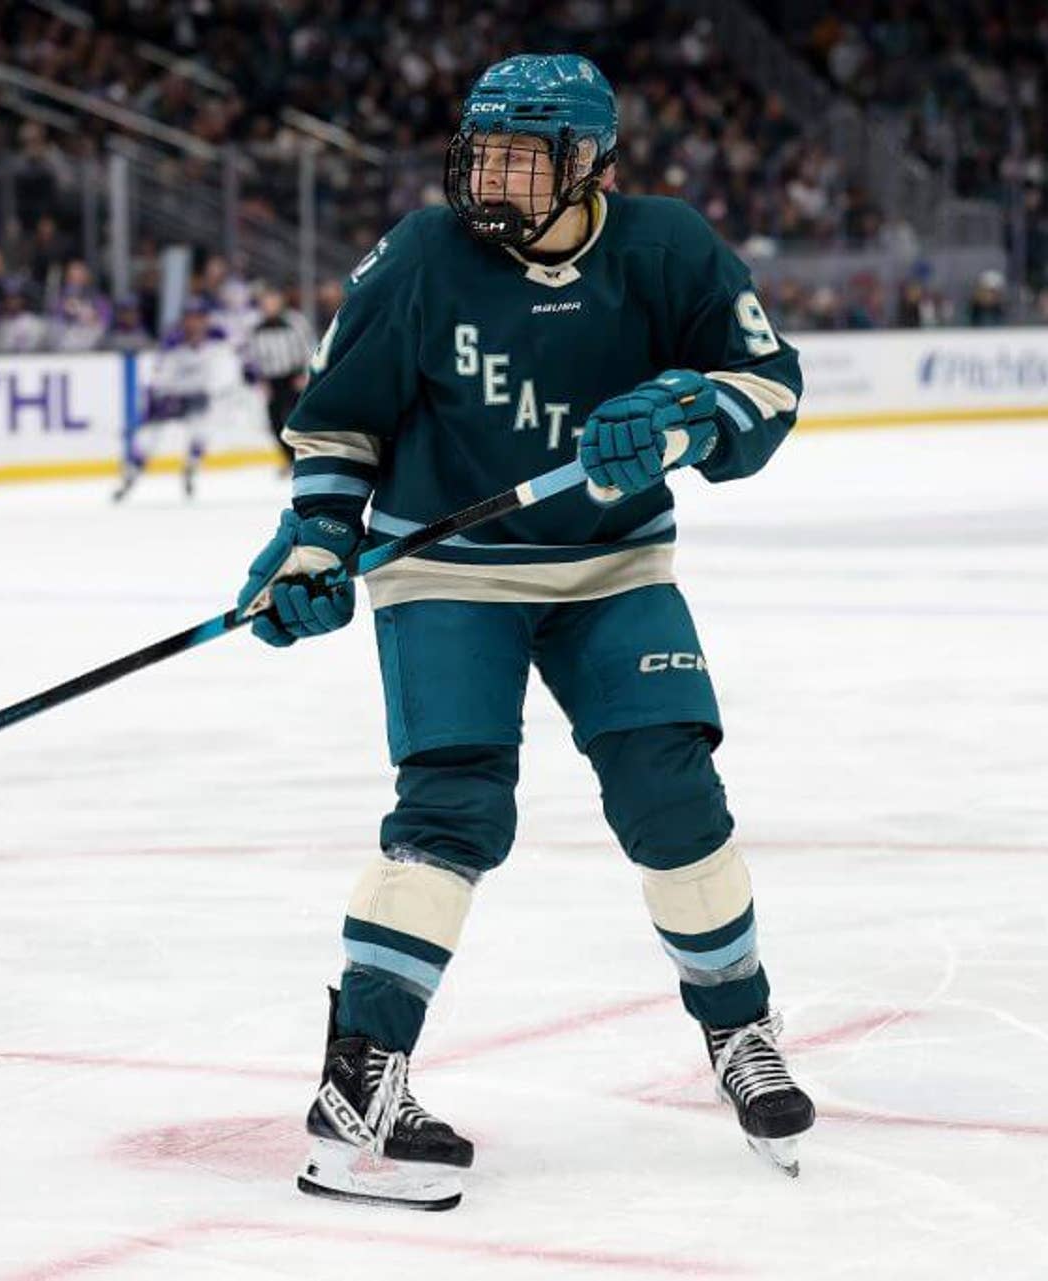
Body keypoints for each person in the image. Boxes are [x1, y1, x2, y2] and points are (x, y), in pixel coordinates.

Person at [234, 55, 813, 1211]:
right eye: (481, 151)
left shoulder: (666, 248)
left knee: (672, 795)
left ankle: (740, 1035)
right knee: (452, 809)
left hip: (613, 566)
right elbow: (339, 427)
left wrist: (690, 415)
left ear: (593, 162)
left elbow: (770, 385)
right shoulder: (420, 257)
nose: (489, 179)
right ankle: (361, 1084)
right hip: (445, 567)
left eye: (522, 158)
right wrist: (310, 543)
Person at [114, 299, 245, 503]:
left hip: (200, 395)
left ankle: (191, 467)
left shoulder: (219, 337)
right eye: (190, 319)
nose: (195, 324)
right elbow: (158, 375)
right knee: (149, 438)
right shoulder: (173, 342)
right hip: (171, 395)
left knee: (204, 428)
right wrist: (157, 399)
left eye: (199, 318)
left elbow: (235, 357)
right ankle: (130, 477)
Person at [243, 286, 314, 470]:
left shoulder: (295, 321)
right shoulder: (256, 327)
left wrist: (306, 375)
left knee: (296, 421)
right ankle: (291, 460)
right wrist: (260, 380)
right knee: (275, 423)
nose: (270, 306)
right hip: (272, 381)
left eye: (273, 302)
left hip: (294, 377)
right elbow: (251, 356)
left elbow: (309, 348)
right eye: (266, 303)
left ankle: (305, 457)